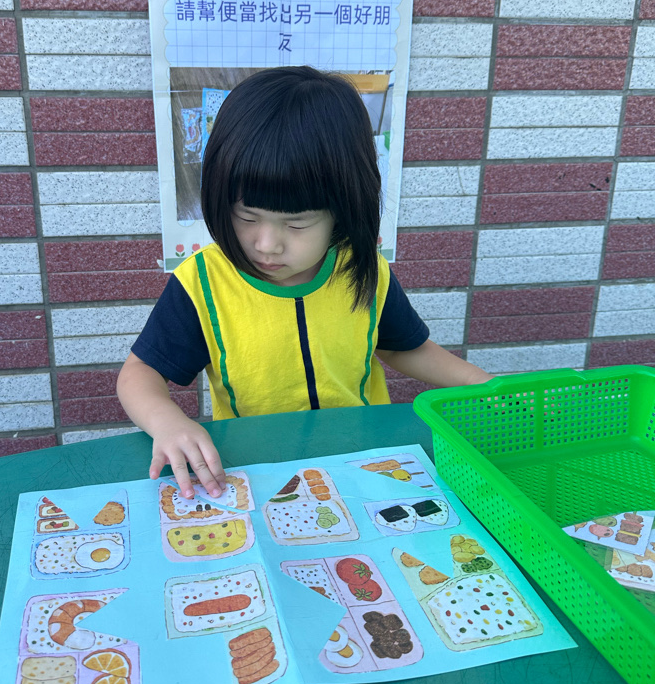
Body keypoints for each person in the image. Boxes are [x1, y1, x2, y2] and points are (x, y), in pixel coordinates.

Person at [117, 66, 492, 499]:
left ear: (343, 209)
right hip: (257, 475)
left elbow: (401, 346)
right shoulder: (203, 282)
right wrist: (166, 421)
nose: (267, 244)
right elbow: (140, 372)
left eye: (297, 224)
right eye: (246, 217)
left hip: (361, 469)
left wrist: (482, 386)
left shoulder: (363, 268)